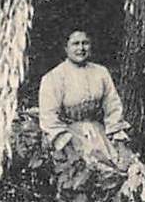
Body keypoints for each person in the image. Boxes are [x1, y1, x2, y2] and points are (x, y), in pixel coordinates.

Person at [37, 29, 134, 174]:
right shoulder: (54, 77)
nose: (81, 49)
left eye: (85, 43)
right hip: (69, 137)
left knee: (122, 170)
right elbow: (49, 116)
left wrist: (117, 137)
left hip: (98, 132)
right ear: (66, 48)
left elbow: (112, 106)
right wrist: (66, 146)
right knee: (86, 172)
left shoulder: (101, 72)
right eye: (75, 44)